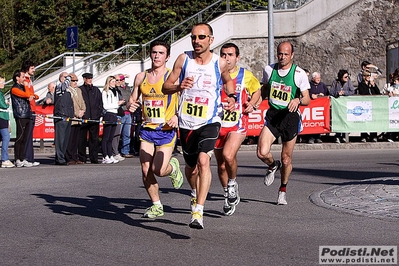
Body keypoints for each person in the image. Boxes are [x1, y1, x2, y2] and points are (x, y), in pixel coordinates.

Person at [162, 23, 236, 229]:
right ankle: (194, 193)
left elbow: (229, 81)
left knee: (205, 161)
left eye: (201, 37)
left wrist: (231, 96)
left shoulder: (219, 63)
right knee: (191, 168)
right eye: (194, 37)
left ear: (211, 40)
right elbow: (165, 86)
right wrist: (178, 86)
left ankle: (198, 212)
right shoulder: (183, 59)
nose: (197, 41)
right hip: (186, 122)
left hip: (210, 120)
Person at [128, 40, 183, 218]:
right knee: (145, 169)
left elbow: (184, 99)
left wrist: (177, 116)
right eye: (154, 52)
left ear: (167, 57)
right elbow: (133, 99)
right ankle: (156, 205)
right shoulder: (140, 77)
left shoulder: (172, 77)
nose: (157, 56)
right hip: (147, 130)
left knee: (159, 170)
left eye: (161, 53)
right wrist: (131, 105)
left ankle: (173, 168)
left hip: (166, 130)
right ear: (150, 55)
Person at [257, 41, 311, 205]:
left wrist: (298, 99)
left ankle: (282, 190)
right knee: (262, 152)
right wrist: (255, 101)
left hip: (290, 117)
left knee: (286, 159)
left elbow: (307, 99)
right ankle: (273, 165)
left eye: (286, 54)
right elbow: (265, 89)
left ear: (292, 55)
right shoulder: (269, 70)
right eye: (280, 54)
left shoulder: (299, 73)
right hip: (273, 115)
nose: (282, 57)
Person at [214, 42, 261, 216]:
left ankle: (232, 183)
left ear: (237, 57)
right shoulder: (215, 73)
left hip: (237, 124)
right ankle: (228, 194)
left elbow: (257, 91)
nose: (227, 58)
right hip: (218, 125)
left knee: (228, 155)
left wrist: (252, 104)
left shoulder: (245, 75)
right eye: (224, 55)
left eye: (230, 55)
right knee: (220, 167)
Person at [10, 70, 36, 167]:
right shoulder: (15, 88)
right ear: (17, 78)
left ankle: (22, 157)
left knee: (25, 138)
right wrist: (27, 87)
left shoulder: (22, 87)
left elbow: (33, 95)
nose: (24, 79)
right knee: (20, 137)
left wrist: (31, 94)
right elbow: (27, 95)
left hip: (27, 114)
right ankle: (17, 158)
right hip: (20, 114)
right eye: (22, 76)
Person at [78, 73, 103, 164]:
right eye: (88, 78)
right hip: (84, 117)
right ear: (84, 79)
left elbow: (100, 102)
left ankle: (94, 157)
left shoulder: (96, 90)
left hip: (94, 117)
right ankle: (82, 157)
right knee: (82, 139)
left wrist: (99, 113)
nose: (90, 80)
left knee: (94, 139)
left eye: (91, 78)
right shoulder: (80, 89)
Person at [21, 60, 40, 167]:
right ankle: (26, 158)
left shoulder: (29, 80)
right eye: (32, 68)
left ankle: (30, 158)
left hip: (32, 109)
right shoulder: (25, 80)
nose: (34, 70)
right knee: (27, 135)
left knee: (29, 135)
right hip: (28, 110)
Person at [329, 69, 355, 143]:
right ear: (341, 77)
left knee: (345, 119)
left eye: (347, 76)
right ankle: (337, 135)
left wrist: (344, 93)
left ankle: (344, 135)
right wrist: (337, 93)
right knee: (338, 119)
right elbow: (331, 92)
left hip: (346, 105)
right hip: (337, 104)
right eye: (345, 77)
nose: (347, 78)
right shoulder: (335, 82)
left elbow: (352, 91)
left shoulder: (349, 82)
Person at [101, 76, 123, 164]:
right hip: (108, 114)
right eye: (112, 81)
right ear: (108, 82)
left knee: (111, 137)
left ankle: (110, 155)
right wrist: (116, 104)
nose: (114, 83)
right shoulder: (105, 92)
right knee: (106, 137)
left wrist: (117, 105)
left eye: (115, 81)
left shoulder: (115, 92)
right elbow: (105, 106)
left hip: (114, 114)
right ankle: (105, 155)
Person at [66, 73, 86, 165]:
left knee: (76, 139)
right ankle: (69, 157)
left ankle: (75, 156)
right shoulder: (67, 90)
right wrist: (76, 113)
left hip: (79, 118)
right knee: (70, 139)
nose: (75, 82)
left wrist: (82, 111)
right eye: (73, 81)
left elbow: (82, 101)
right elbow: (70, 104)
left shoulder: (78, 90)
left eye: (76, 81)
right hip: (72, 117)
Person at [54, 72, 73, 165]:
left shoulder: (68, 90)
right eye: (65, 77)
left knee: (65, 139)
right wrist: (69, 77)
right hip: (60, 115)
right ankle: (59, 158)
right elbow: (64, 86)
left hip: (68, 115)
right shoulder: (59, 87)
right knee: (60, 139)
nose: (68, 79)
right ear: (61, 78)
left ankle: (62, 157)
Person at [358, 69, 380, 142]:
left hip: (373, 104)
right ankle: (364, 136)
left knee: (373, 121)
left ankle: (373, 136)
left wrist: (373, 85)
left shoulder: (372, 84)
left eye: (369, 76)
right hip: (365, 105)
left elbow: (378, 92)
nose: (368, 77)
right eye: (367, 76)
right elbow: (363, 92)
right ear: (364, 76)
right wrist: (368, 86)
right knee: (364, 120)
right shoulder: (361, 84)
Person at [307, 71, 329, 144]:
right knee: (311, 122)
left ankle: (318, 137)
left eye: (319, 78)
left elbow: (327, 93)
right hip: (311, 107)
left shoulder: (322, 85)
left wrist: (323, 95)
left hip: (320, 107)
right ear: (313, 78)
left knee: (319, 122)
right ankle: (311, 137)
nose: (318, 79)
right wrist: (311, 95)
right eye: (317, 78)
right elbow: (305, 92)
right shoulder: (309, 85)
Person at [0, 75, 15, 168]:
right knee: (6, 136)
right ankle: (4, 159)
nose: (3, 84)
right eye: (1, 82)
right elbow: (2, 105)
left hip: (3, 117)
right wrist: (6, 104)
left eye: (3, 82)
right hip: (1, 117)